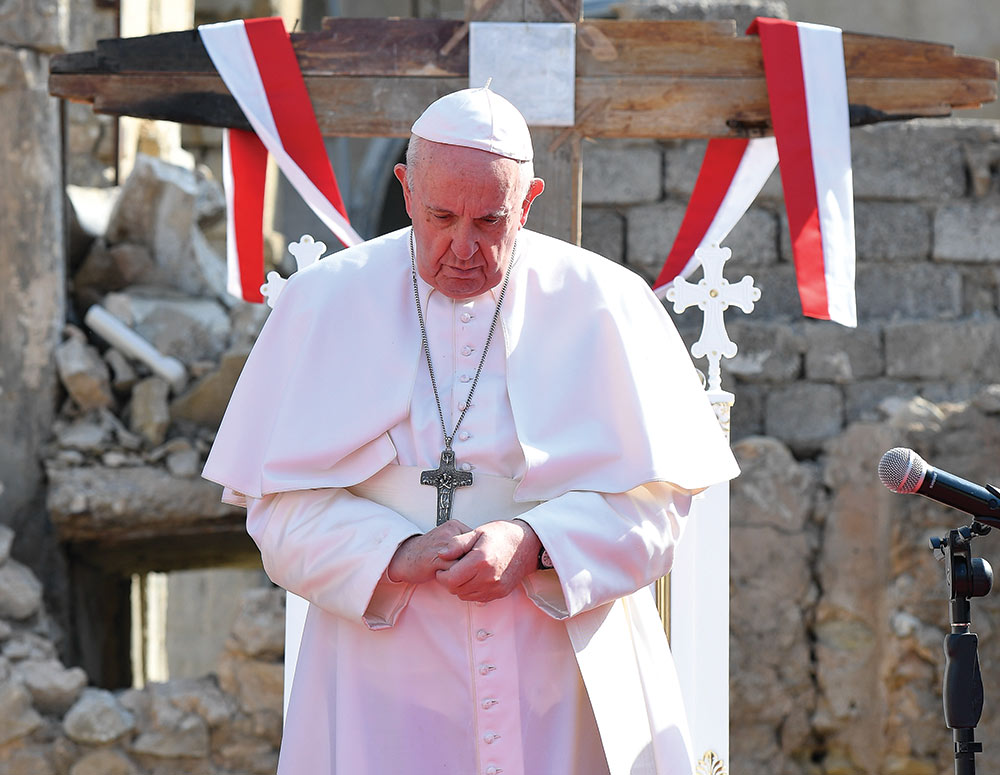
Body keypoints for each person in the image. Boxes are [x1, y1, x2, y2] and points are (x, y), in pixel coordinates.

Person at [203, 85, 739, 775]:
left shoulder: (606, 303)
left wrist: (536, 542)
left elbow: (658, 513)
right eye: (440, 216)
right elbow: (278, 514)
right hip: (382, 679)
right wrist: (393, 552)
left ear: (529, 201)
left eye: (490, 220)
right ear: (405, 189)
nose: (463, 247)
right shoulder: (325, 301)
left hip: (560, 678)